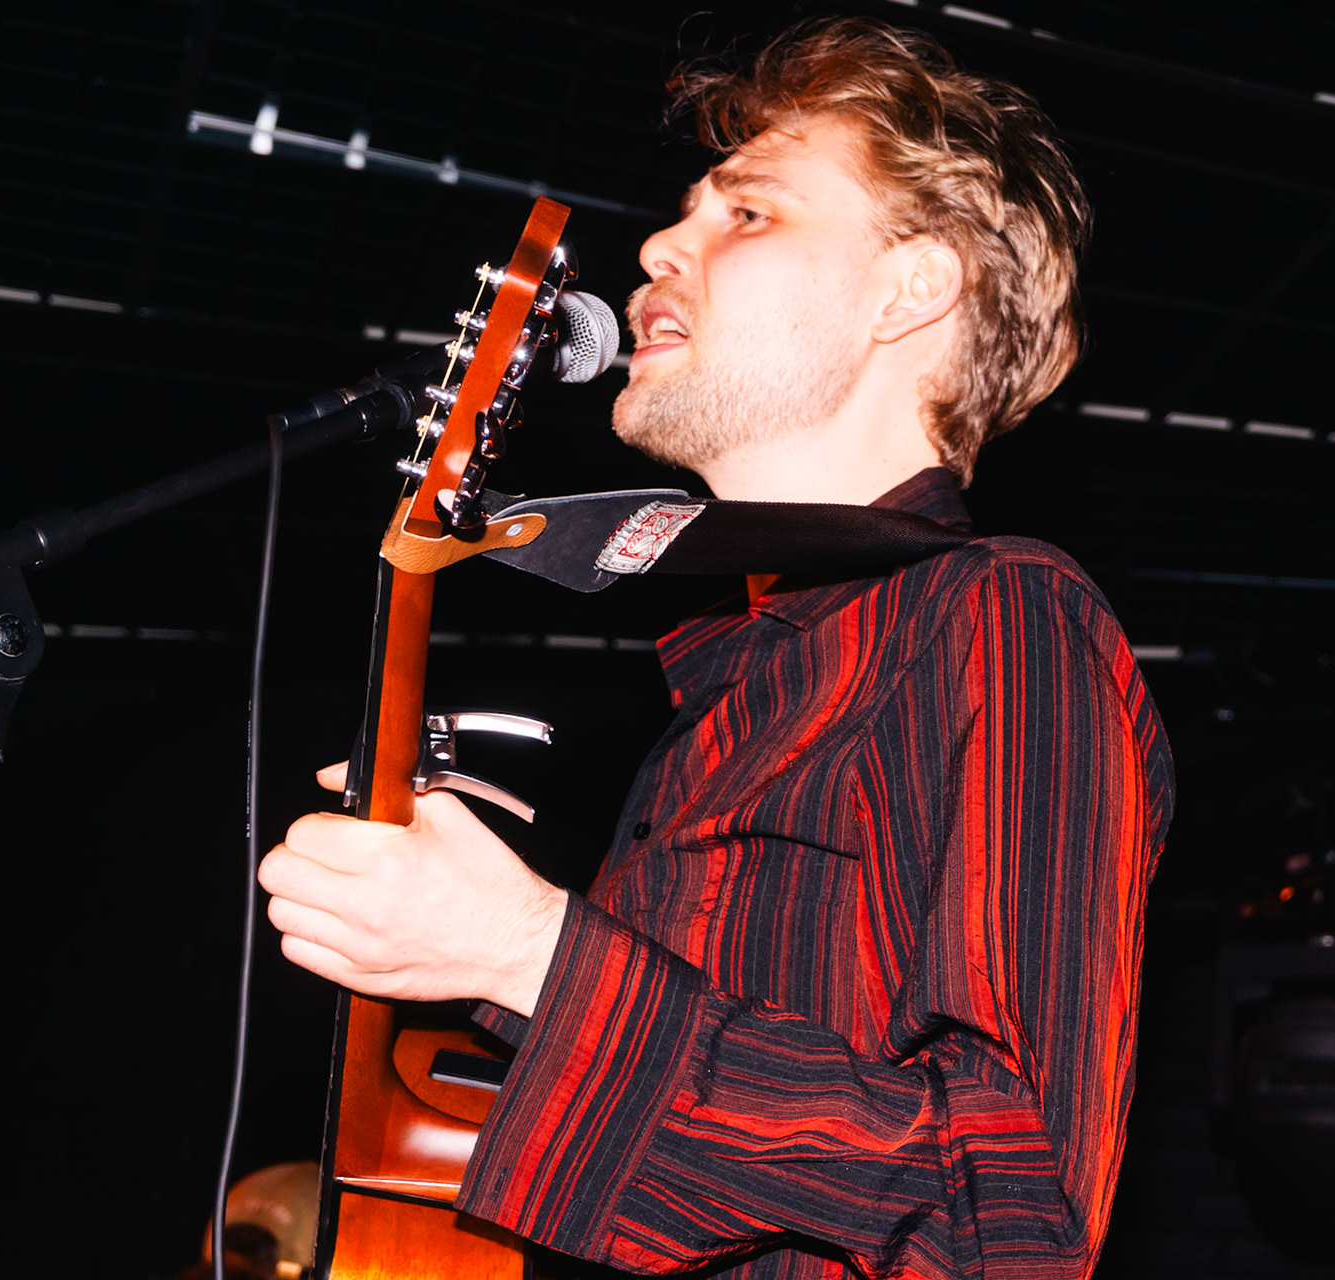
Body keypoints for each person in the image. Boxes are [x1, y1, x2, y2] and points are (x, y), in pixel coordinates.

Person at [257, 17, 1173, 1280]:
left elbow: (1012, 1220)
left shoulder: (1001, 616)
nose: (657, 246)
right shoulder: (725, 690)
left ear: (913, 287)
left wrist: (530, 950)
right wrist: (468, 939)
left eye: (746, 212)